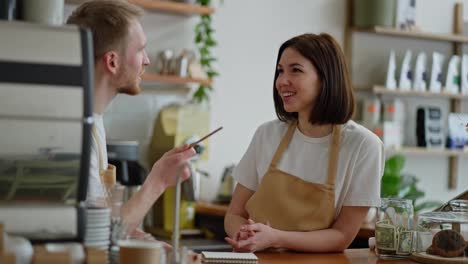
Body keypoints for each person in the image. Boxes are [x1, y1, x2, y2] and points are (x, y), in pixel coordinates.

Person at [224, 33, 384, 253]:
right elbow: (234, 214)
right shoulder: (267, 134)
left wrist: (275, 238)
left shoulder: (364, 145)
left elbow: (342, 236)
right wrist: (245, 235)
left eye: (295, 70)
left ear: (325, 77)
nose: (281, 81)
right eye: (280, 71)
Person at [67, 0, 196, 245]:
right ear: (112, 62)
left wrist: (130, 233)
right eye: (140, 50)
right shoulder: (75, 131)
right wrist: (158, 180)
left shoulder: (93, 121)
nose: (146, 60)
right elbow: (96, 236)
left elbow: (104, 225)